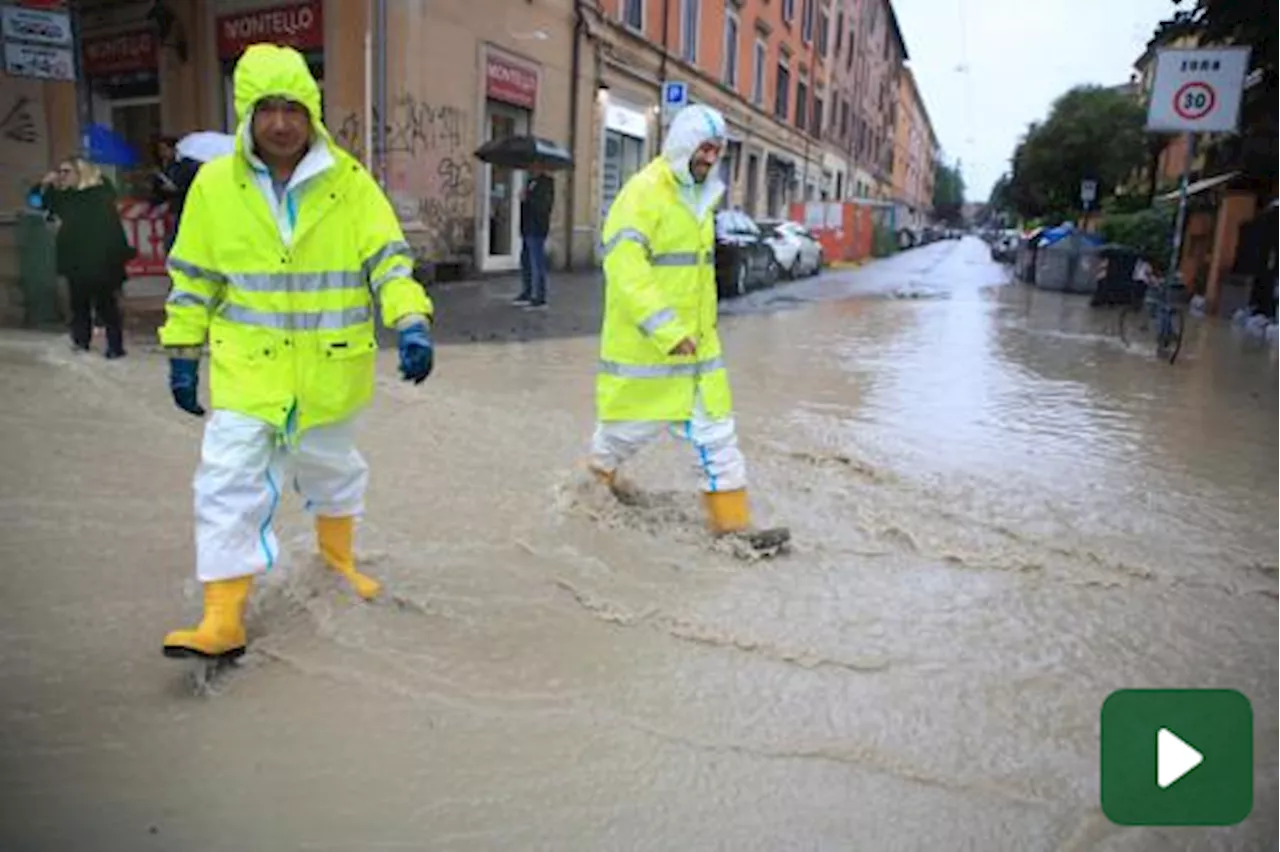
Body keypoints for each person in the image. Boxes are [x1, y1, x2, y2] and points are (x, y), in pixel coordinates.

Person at [158, 44, 437, 662]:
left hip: (329, 372)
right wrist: (182, 349)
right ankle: (222, 616)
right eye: (266, 109)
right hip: (246, 373)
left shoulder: (350, 183)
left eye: (292, 108)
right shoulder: (214, 186)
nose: (280, 123)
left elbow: (388, 261)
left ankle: (338, 565)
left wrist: (411, 319)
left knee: (333, 475)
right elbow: (194, 276)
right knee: (227, 482)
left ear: (311, 112)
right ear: (246, 115)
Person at [586, 104, 788, 548]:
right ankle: (586, 497)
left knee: (719, 438)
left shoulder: (700, 199)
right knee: (618, 439)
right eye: (705, 148)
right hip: (649, 356)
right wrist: (668, 331)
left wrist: (692, 336)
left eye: (718, 150)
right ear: (682, 144)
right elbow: (625, 270)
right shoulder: (642, 195)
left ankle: (734, 532)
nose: (711, 158)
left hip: (698, 355)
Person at [36, 157, 132, 359]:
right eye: (60, 171)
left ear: (80, 173)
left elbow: (110, 225)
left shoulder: (99, 193)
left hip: (101, 258)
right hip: (76, 257)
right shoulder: (64, 196)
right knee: (79, 304)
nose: (62, 176)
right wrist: (44, 184)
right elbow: (36, 202)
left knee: (106, 305)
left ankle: (115, 346)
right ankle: (81, 341)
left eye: (66, 171)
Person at [149, 135, 201, 252]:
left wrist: (176, 189)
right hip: (173, 206)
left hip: (184, 205)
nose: (162, 153)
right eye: (160, 150)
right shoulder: (166, 167)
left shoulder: (187, 166)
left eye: (164, 149)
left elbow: (188, 186)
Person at [514, 164, 554, 309]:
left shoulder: (547, 184)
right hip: (527, 227)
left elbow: (543, 206)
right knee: (525, 261)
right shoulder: (530, 182)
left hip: (537, 229)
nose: (531, 169)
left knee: (537, 262)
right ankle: (527, 291)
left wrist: (527, 198)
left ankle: (540, 297)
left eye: (534, 166)